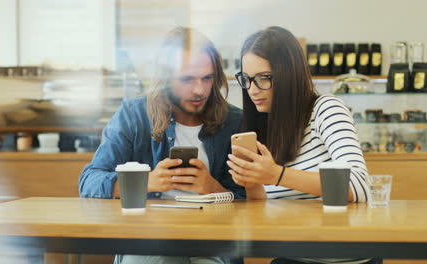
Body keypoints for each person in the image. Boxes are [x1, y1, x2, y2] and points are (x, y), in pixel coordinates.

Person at [79, 26, 244, 264]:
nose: (199, 90)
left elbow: (250, 203)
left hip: (211, 239)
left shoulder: (235, 122)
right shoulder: (133, 115)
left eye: (207, 78)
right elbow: (89, 181)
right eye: (187, 79)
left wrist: (213, 188)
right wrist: (144, 183)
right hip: (147, 236)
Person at [227, 26, 381, 264]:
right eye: (246, 80)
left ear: (290, 75)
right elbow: (263, 210)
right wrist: (253, 181)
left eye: (264, 78)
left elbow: (359, 186)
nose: (253, 90)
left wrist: (277, 174)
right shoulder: (265, 122)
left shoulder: (326, 109)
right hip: (294, 256)